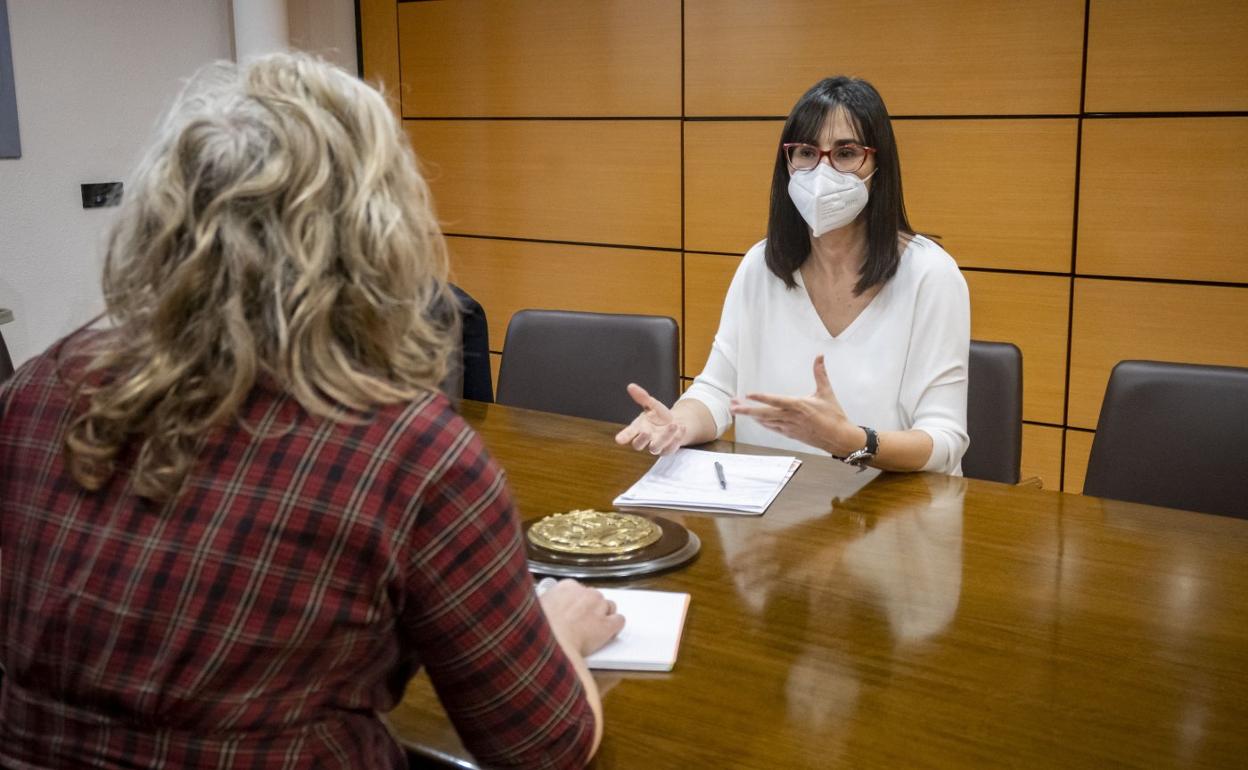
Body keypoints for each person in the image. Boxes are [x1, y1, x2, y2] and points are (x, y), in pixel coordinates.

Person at [0, 54, 622, 769]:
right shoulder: (412, 457)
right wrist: (561, 632)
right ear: (379, 232)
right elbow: (543, 746)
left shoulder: (39, 388)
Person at [617, 77, 969, 474]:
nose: (822, 171)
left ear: (879, 165)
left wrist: (853, 441)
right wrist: (678, 424)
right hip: (771, 513)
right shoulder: (761, 265)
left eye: (846, 153)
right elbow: (718, 390)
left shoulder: (930, 275)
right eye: (805, 152)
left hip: (893, 515)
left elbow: (945, 441)